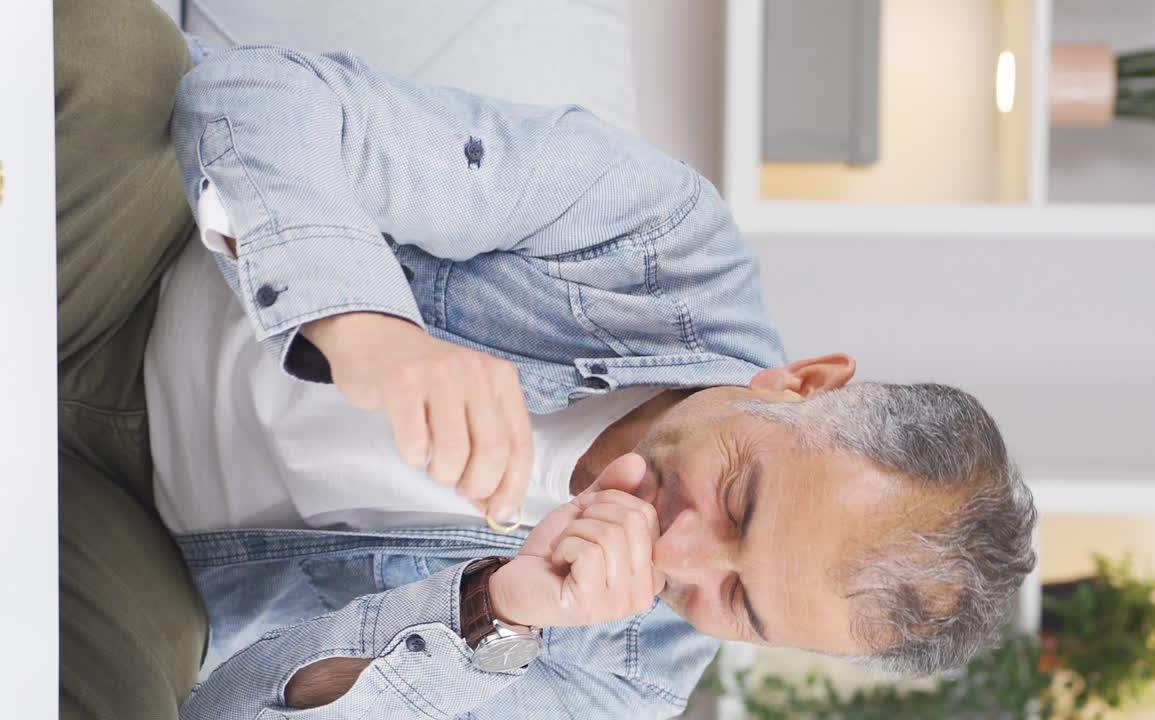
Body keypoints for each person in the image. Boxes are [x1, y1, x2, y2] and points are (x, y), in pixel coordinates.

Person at [57, 2, 1037, 718]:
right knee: (111, 50)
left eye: (735, 601)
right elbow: (256, 97)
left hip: (138, 548)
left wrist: (492, 616)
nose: (678, 556)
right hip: (130, 259)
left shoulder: (620, 685)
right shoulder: (654, 240)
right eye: (740, 499)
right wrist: (365, 325)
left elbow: (233, 709)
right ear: (801, 384)